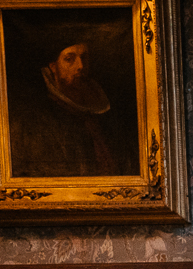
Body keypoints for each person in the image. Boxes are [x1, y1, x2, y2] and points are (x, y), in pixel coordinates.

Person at [9, 29, 136, 177]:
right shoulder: (38, 118)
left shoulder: (104, 112)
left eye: (84, 57)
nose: (80, 66)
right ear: (53, 67)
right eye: (70, 59)